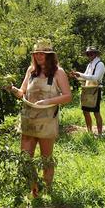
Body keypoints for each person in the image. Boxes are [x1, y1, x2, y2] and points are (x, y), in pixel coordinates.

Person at [7, 39, 71, 197]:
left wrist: (48, 101)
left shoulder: (58, 72)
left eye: (43, 53)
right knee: (25, 159)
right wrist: (11, 88)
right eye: (36, 53)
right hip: (28, 120)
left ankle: (48, 191)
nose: (39, 56)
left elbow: (68, 96)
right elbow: (22, 93)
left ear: (50, 55)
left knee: (46, 159)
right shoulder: (31, 70)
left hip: (47, 121)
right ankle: (34, 190)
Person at [70, 46, 105, 135]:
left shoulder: (100, 64)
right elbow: (85, 78)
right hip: (87, 89)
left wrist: (80, 74)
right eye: (88, 54)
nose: (89, 55)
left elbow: (95, 78)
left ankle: (100, 134)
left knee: (96, 112)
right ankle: (89, 132)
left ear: (96, 54)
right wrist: (76, 76)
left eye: (91, 53)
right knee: (85, 111)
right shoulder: (90, 65)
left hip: (96, 90)